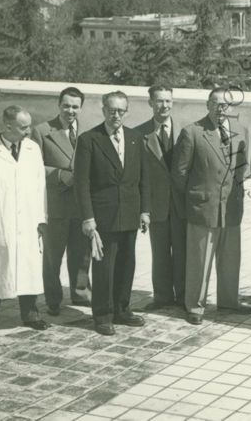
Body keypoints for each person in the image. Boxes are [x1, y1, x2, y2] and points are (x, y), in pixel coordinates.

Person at [173, 87, 251, 325]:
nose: (221, 109)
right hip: (203, 208)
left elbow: (242, 168)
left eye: (225, 105)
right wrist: (198, 197)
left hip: (231, 208)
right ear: (208, 105)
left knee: (230, 259)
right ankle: (195, 305)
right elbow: (180, 174)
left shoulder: (241, 131)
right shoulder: (193, 132)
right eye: (216, 104)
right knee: (199, 260)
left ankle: (229, 301)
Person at [0, 106, 49, 338]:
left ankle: (30, 314)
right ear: (8, 127)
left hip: (28, 222)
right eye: (24, 127)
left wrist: (41, 219)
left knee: (28, 268)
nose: (29, 131)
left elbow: (39, 186)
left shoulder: (33, 149)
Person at [74, 91, 151, 336]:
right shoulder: (89, 139)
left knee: (127, 264)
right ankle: (103, 315)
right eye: (111, 110)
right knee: (104, 266)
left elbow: (143, 179)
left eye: (120, 110)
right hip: (103, 215)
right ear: (103, 110)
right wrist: (88, 217)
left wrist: (144, 211)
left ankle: (122, 309)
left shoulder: (136, 138)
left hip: (129, 213)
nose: (116, 115)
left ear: (126, 111)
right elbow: (82, 182)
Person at [32, 86, 92, 316]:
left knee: (81, 254)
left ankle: (80, 292)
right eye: (66, 105)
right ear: (59, 105)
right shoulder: (42, 131)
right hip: (55, 206)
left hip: (81, 205)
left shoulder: (88, 131)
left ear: (81, 108)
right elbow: (32, 168)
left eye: (75, 107)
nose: (70, 111)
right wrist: (59, 175)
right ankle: (53, 299)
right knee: (52, 257)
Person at [135, 84, 186, 310]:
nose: (164, 105)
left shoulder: (186, 131)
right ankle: (163, 297)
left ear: (172, 102)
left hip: (182, 204)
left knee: (184, 252)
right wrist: (142, 209)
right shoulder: (138, 134)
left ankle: (185, 297)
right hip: (156, 204)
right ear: (150, 103)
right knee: (160, 252)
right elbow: (137, 175)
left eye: (168, 101)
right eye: (159, 101)